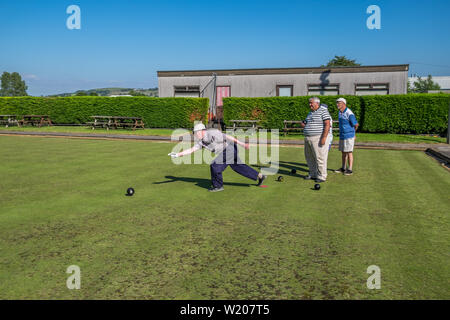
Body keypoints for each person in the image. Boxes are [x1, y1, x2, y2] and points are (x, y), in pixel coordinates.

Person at [169, 123, 266, 192]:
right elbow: (191, 150)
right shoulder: (201, 141)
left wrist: (242, 144)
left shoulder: (212, 133)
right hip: (227, 152)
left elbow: (228, 137)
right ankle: (260, 176)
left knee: (215, 165)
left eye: (196, 132)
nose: (195, 134)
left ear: (202, 131)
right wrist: (177, 154)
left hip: (229, 149)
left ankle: (218, 186)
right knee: (238, 167)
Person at [300, 97, 332, 183]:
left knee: (320, 157)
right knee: (309, 157)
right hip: (308, 138)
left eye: (311, 103)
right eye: (309, 103)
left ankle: (322, 176)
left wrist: (324, 138)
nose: (310, 104)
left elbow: (327, 124)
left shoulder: (323, 111)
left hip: (318, 137)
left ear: (317, 103)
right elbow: (306, 122)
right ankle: (313, 174)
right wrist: (304, 124)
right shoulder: (310, 113)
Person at [334, 98, 359, 176]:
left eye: (339, 103)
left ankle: (350, 169)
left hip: (349, 136)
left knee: (349, 152)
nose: (337, 104)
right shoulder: (340, 112)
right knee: (343, 152)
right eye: (337, 103)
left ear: (344, 104)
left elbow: (356, 124)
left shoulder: (349, 113)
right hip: (342, 135)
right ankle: (343, 168)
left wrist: (354, 134)